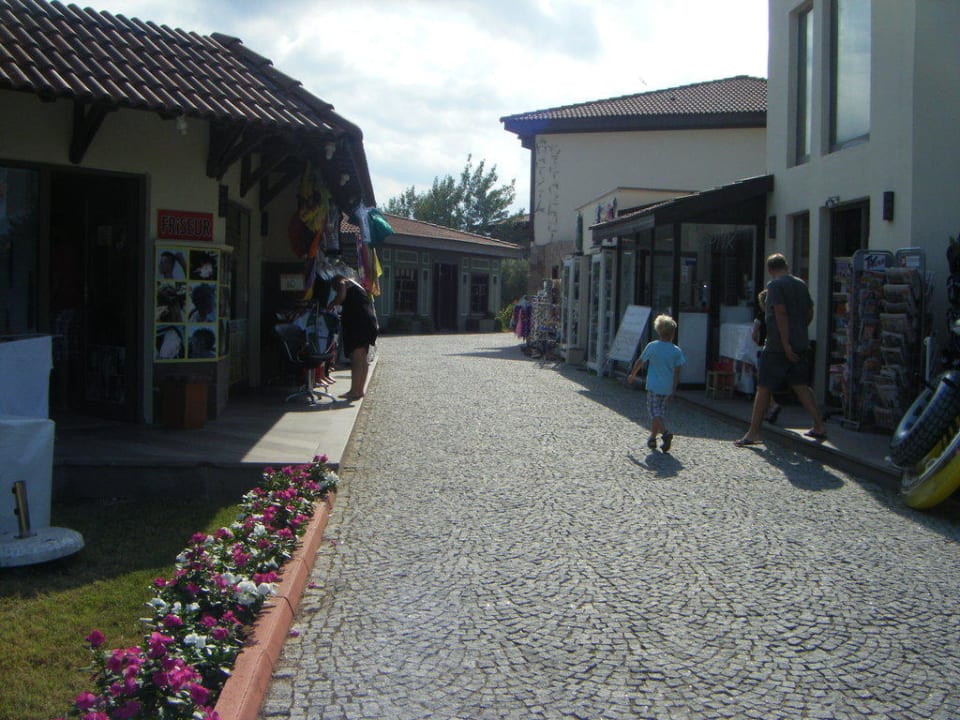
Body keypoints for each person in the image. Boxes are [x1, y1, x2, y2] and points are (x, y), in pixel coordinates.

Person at [735, 253, 826, 447]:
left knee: (764, 387)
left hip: (777, 345)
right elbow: (810, 311)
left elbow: (780, 313)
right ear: (786, 265)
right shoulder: (801, 283)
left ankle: (754, 432)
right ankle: (818, 426)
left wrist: (785, 343)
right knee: (801, 385)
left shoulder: (775, 286)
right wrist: (800, 329)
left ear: (770, 270)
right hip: (801, 342)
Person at [627, 313, 686, 453]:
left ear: (658, 331)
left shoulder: (652, 346)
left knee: (654, 412)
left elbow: (640, 361)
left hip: (654, 385)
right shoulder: (676, 351)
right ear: (673, 334)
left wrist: (633, 374)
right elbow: (677, 372)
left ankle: (665, 434)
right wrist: (674, 389)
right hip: (667, 387)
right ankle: (652, 438)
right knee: (659, 412)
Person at [327, 274, 378, 400]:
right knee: (363, 359)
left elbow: (341, 296)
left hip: (358, 325)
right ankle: (359, 390)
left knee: (356, 359)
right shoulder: (357, 286)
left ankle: (354, 391)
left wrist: (332, 304)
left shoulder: (343, 282)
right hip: (368, 323)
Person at [752, 289, 781, 424]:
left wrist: (758, 341)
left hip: (764, 349)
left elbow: (754, 334)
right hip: (778, 349)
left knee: (762, 380)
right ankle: (769, 408)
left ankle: (771, 405)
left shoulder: (760, 316)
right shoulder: (778, 315)